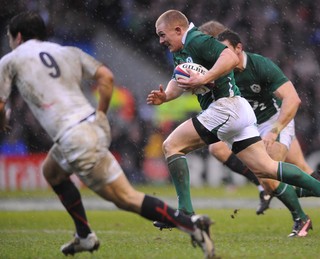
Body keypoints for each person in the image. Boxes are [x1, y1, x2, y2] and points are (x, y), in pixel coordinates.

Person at [0, 12, 215, 258]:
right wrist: (100, 115)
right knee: (51, 170)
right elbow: (106, 77)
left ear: (17, 37)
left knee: (127, 199)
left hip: (74, 137)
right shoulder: (66, 51)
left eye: (10, 38)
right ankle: (84, 236)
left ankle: (192, 225)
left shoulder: (10, 60)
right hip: (88, 126)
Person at [147, 9, 320, 234]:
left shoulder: (196, 39)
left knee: (171, 146)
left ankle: (185, 212)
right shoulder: (182, 49)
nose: (160, 40)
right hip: (240, 110)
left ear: (178, 30)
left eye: (162, 34)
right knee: (266, 169)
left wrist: (205, 78)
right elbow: (179, 80)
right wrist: (166, 96)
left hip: (226, 107)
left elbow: (229, 57)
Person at [198, 20, 271, 216]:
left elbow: (282, 94)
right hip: (246, 120)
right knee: (217, 148)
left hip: (269, 121)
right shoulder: (215, 65)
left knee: (280, 171)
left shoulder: (249, 64)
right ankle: (261, 185)